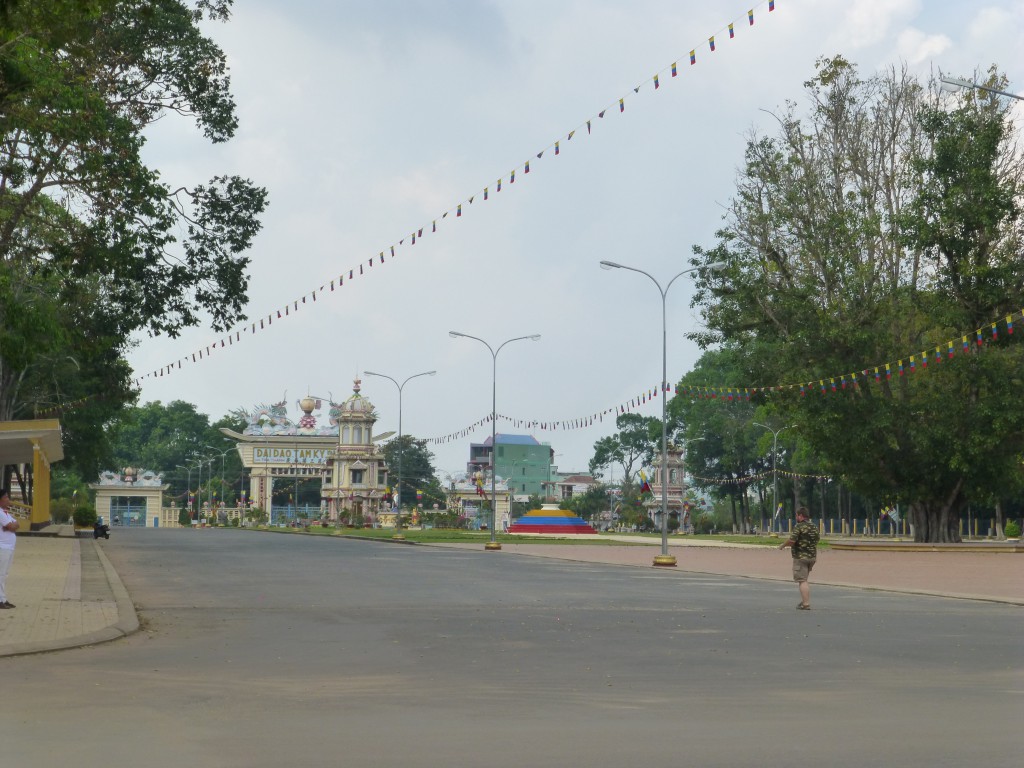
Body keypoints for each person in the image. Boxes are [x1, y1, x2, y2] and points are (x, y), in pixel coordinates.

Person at [779, 506, 819, 610]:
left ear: (801, 516)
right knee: (804, 579)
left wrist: (783, 545)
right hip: (812, 557)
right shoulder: (814, 526)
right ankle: (804, 600)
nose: (795, 517)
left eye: (796, 515)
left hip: (801, 557)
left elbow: (792, 541)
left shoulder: (799, 526)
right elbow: (817, 540)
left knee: (802, 580)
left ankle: (806, 603)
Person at [0, 487, 19, 609]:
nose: (8, 499)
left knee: (4, 574)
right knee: (1, 574)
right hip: (2, 546)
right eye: (6, 497)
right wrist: (10, 526)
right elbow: (10, 526)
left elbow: (16, 524)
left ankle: (3, 598)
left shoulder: (5, 512)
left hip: (9, 547)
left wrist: (11, 526)